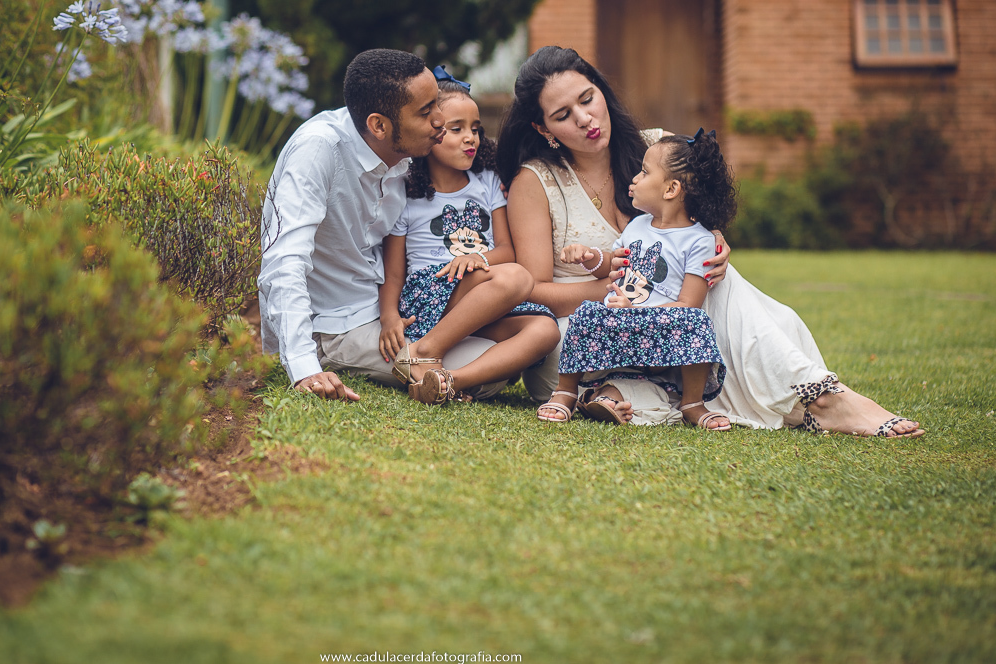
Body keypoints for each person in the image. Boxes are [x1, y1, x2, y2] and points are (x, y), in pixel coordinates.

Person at [498, 45, 924, 438]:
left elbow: (697, 217)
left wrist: (714, 240)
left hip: (664, 319)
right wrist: (619, 294)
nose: (585, 119)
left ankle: (821, 398)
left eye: (587, 99)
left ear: (601, 91)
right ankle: (809, 400)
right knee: (694, 302)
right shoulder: (535, 182)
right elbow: (532, 292)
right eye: (563, 114)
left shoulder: (657, 147)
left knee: (716, 279)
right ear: (543, 127)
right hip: (584, 334)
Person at [259, 50, 511, 402]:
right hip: (336, 324)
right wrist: (304, 367)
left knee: (510, 348)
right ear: (379, 126)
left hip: (393, 309)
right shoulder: (317, 150)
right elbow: (284, 260)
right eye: (426, 111)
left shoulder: (406, 148)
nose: (440, 120)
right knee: (488, 370)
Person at [378, 68, 560, 404]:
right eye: (456, 128)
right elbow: (393, 273)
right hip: (431, 291)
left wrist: (477, 257)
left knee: (546, 331)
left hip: (479, 293)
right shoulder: (405, 191)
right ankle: (424, 351)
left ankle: (447, 381)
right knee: (517, 278)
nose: (470, 138)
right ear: (431, 131)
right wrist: (389, 315)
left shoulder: (487, 181)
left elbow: (506, 250)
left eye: (475, 129)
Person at [542, 129, 736, 430]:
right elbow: (614, 264)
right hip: (617, 319)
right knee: (585, 313)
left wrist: (637, 311)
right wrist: (590, 256)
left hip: (657, 326)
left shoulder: (699, 241)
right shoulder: (637, 225)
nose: (634, 178)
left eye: (644, 172)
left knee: (697, 323)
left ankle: (693, 403)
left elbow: (689, 304)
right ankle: (565, 392)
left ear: (671, 189)